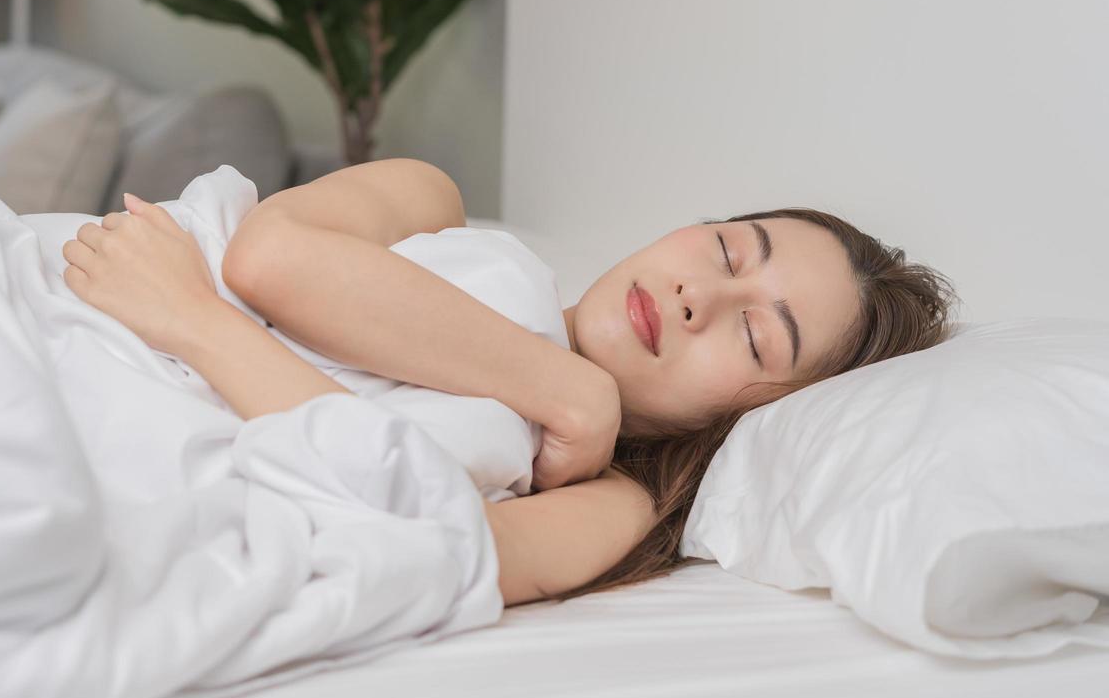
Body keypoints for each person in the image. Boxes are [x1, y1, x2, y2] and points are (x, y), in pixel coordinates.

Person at [63, 158, 957, 610]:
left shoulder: (611, 509)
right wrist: (568, 389)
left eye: (756, 335)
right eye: (727, 249)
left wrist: (191, 319)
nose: (698, 297)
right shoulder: (431, 199)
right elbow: (268, 258)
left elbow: (413, 532)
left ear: (763, 416)